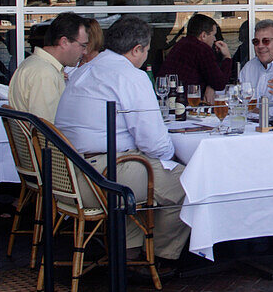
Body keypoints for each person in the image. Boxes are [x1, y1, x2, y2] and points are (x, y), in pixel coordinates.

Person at [55, 15, 190, 263]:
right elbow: (155, 144)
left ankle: (128, 251)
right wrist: (176, 159)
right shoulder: (130, 76)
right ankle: (160, 256)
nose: (146, 56)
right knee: (191, 183)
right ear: (137, 49)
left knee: (140, 167)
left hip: (66, 176)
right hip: (101, 179)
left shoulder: (83, 71)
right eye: (147, 51)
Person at [8, 12, 87, 124]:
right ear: (64, 42)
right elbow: (47, 130)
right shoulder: (44, 73)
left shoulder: (33, 64)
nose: (85, 52)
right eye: (83, 45)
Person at [157, 14, 232, 103]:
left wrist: (210, 86)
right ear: (203, 35)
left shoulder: (179, 45)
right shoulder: (203, 49)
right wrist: (227, 57)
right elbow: (219, 83)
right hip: (187, 103)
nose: (215, 39)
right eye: (213, 35)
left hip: (169, 100)